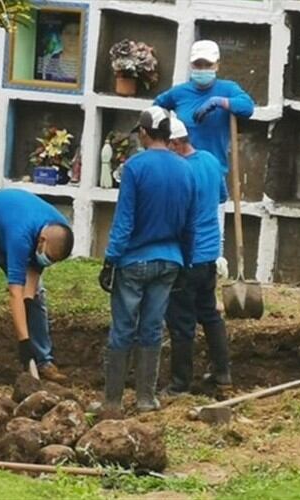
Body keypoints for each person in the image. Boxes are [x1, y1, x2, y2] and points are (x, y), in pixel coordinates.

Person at [97, 106, 195, 415]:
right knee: (152, 329)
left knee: (123, 328)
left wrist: (110, 259)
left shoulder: (135, 168)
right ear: (168, 135)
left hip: (134, 261)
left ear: (143, 133)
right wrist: (186, 262)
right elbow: (190, 225)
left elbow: (124, 220)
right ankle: (145, 399)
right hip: (170, 262)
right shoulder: (185, 169)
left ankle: (112, 402)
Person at [154, 39, 254, 271]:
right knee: (180, 221)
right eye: (198, 65)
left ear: (217, 65)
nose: (202, 69)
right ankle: (178, 265)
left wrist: (219, 102)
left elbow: (247, 107)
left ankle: (212, 270)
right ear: (191, 66)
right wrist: (168, 127)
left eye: (207, 64)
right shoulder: (179, 93)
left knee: (212, 226)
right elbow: (156, 108)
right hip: (180, 168)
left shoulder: (227, 88)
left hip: (212, 170)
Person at [0, 189, 74, 385]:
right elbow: (15, 292)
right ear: (41, 241)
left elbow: (34, 272)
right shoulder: (20, 236)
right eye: (48, 256)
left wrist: (28, 302)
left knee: (38, 295)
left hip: (10, 229)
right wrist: (24, 344)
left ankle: (43, 361)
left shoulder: (58, 230)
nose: (47, 261)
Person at [162, 116, 232, 396]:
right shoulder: (211, 161)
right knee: (210, 315)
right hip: (209, 256)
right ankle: (223, 373)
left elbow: (176, 217)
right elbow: (220, 198)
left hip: (188, 257)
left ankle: (180, 385)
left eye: (165, 145)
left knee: (181, 323)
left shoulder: (180, 171)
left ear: (176, 144)